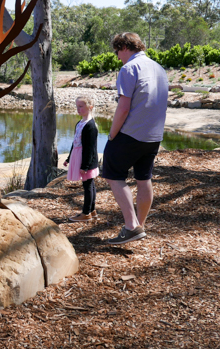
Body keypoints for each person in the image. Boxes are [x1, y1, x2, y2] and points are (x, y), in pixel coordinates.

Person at [102, 32, 168, 245]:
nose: (117, 56)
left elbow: (123, 107)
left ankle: (131, 226)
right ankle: (140, 225)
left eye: (117, 51)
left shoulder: (129, 68)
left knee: (112, 174)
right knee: (143, 178)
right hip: (154, 135)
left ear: (123, 47)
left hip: (131, 133)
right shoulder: (159, 68)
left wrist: (112, 134)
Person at [63, 95, 100, 222]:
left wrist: (85, 166)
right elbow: (75, 142)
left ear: (90, 107)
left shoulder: (91, 126)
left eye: (81, 106)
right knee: (90, 184)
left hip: (86, 159)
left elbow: (90, 148)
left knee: (88, 185)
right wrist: (68, 158)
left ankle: (86, 213)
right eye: (77, 106)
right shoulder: (80, 123)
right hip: (78, 156)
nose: (78, 109)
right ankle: (92, 210)